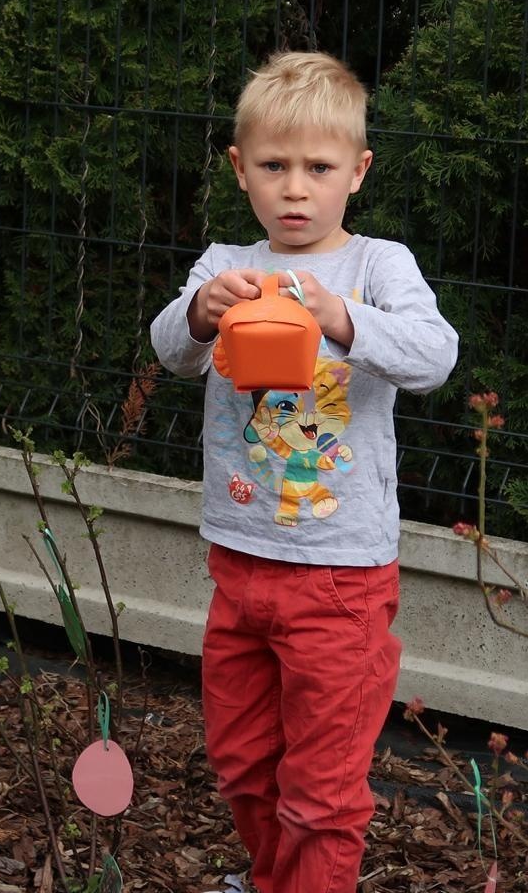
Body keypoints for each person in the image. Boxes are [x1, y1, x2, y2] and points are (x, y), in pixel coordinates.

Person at [150, 51, 458, 893]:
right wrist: (200, 313)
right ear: (239, 168)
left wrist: (342, 317)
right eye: (273, 166)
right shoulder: (225, 264)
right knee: (245, 763)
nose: (295, 189)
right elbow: (169, 350)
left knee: (320, 792)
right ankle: (273, 880)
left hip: (341, 576)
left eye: (318, 168)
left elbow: (435, 354)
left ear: (356, 172)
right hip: (240, 561)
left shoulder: (376, 268)